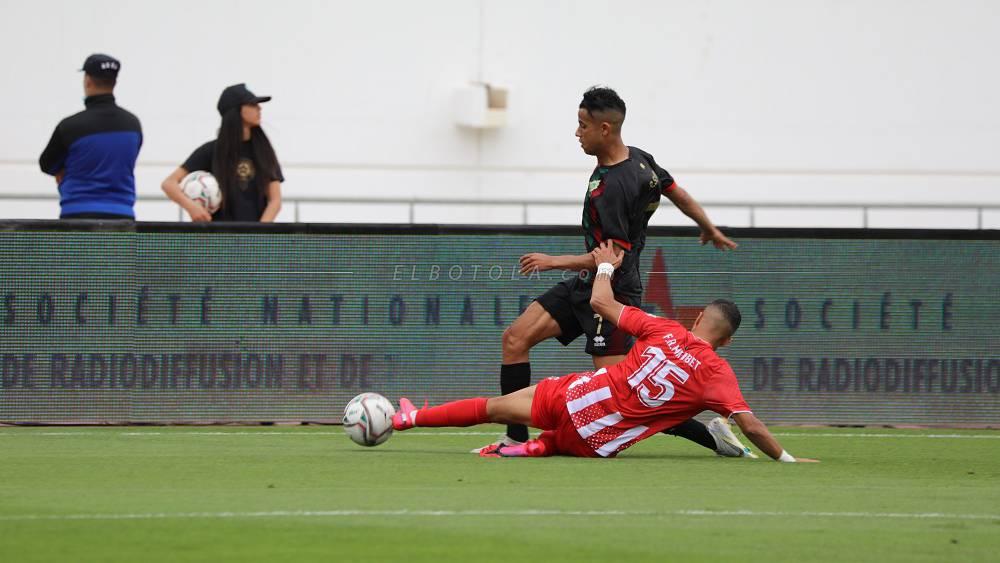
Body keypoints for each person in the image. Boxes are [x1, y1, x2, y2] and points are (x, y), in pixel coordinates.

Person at [489, 86, 742, 456]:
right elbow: (678, 193)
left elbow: (613, 256)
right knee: (515, 338)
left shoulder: (613, 188)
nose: (577, 133)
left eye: (582, 125)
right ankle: (514, 436)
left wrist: (552, 261)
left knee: (626, 395)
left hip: (613, 292)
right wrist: (708, 226)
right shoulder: (641, 159)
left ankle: (712, 437)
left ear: (604, 129)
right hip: (585, 284)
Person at [395, 242, 817, 462]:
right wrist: (787, 459)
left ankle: (409, 418)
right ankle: (531, 448)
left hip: (575, 396)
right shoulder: (717, 374)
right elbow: (753, 425)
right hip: (598, 440)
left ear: (698, 317)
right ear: (727, 341)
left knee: (495, 406)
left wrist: (604, 267)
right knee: (559, 442)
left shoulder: (664, 329)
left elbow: (600, 303)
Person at [39, 54, 142, 219]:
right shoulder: (133, 125)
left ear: (87, 80)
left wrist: (64, 170)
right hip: (122, 217)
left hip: (77, 216)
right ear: (114, 82)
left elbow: (46, 164)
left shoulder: (70, 126)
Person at [161, 83, 283, 222]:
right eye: (252, 104)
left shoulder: (264, 152)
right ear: (236, 111)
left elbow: (275, 201)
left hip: (254, 239)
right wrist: (192, 207)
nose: (259, 108)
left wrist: (259, 234)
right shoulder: (211, 150)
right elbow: (169, 184)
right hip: (218, 238)